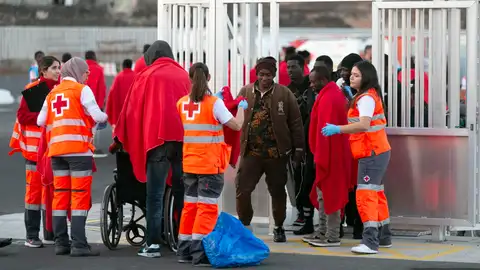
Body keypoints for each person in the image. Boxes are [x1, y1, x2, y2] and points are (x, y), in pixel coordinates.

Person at [114, 40, 190, 258]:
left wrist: (119, 137)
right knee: (181, 193)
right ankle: (181, 240)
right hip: (183, 143)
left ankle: (153, 244)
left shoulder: (147, 76)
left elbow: (131, 111)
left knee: (154, 196)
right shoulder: (184, 75)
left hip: (158, 144)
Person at [176, 62, 246, 266]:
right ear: (208, 77)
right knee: (206, 210)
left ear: (190, 78)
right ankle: (200, 252)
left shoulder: (181, 103)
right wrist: (241, 108)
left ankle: (184, 250)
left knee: (189, 207)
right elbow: (237, 124)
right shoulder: (214, 103)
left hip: (189, 164)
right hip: (209, 165)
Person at [37, 57, 108, 256]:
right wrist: (104, 117)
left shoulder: (53, 93)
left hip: (56, 153)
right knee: (79, 197)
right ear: (77, 72)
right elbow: (97, 115)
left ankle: (61, 243)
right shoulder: (81, 90)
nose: (88, 75)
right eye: (86, 72)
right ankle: (79, 245)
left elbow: (40, 120)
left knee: (60, 197)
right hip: (78, 152)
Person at [321, 60, 392, 254]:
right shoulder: (368, 95)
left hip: (371, 153)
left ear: (366, 78)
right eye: (351, 74)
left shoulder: (366, 98)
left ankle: (370, 242)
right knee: (376, 193)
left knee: (366, 195)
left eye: (356, 75)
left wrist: (338, 129)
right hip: (377, 151)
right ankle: (384, 236)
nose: (351, 77)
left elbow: (363, 124)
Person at [235, 57, 305, 242]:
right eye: (261, 74)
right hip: (251, 152)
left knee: (277, 191)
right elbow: (234, 116)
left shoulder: (284, 93)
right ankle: (244, 225)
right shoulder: (246, 92)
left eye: (268, 74)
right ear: (257, 75)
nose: (264, 78)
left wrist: (298, 148)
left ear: (274, 75)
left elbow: (296, 123)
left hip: (276, 153)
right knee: (242, 189)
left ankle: (279, 227)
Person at [10, 56, 61, 248]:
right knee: (33, 196)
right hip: (34, 153)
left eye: (59, 68)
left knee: (54, 193)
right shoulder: (32, 90)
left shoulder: (60, 90)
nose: (58, 71)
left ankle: (51, 233)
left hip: (54, 150)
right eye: (55, 68)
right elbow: (22, 116)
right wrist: (43, 117)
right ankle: (32, 235)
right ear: (44, 71)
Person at [304, 65, 353, 247]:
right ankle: (323, 232)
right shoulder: (329, 95)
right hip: (330, 154)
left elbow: (325, 132)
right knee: (324, 193)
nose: (311, 85)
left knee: (330, 194)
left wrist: (320, 157)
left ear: (323, 80)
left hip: (331, 156)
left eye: (313, 81)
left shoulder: (329, 98)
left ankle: (332, 236)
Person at [286, 54, 313, 233]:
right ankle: (300, 213)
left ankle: (308, 214)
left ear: (303, 68)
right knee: (295, 178)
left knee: (307, 179)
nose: (290, 71)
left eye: (293, 67)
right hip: (293, 142)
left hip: (309, 140)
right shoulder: (287, 90)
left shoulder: (310, 88)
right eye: (287, 67)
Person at [85, 50, 107, 157]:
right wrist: (101, 103)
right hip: (95, 103)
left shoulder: (81, 69)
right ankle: (92, 147)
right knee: (94, 127)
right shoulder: (99, 69)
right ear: (94, 57)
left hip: (81, 102)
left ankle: (85, 146)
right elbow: (101, 88)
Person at [105, 59, 135, 133]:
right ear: (131, 66)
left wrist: (109, 112)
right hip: (133, 114)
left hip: (119, 115)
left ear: (123, 66)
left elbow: (111, 95)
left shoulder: (118, 77)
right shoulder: (137, 76)